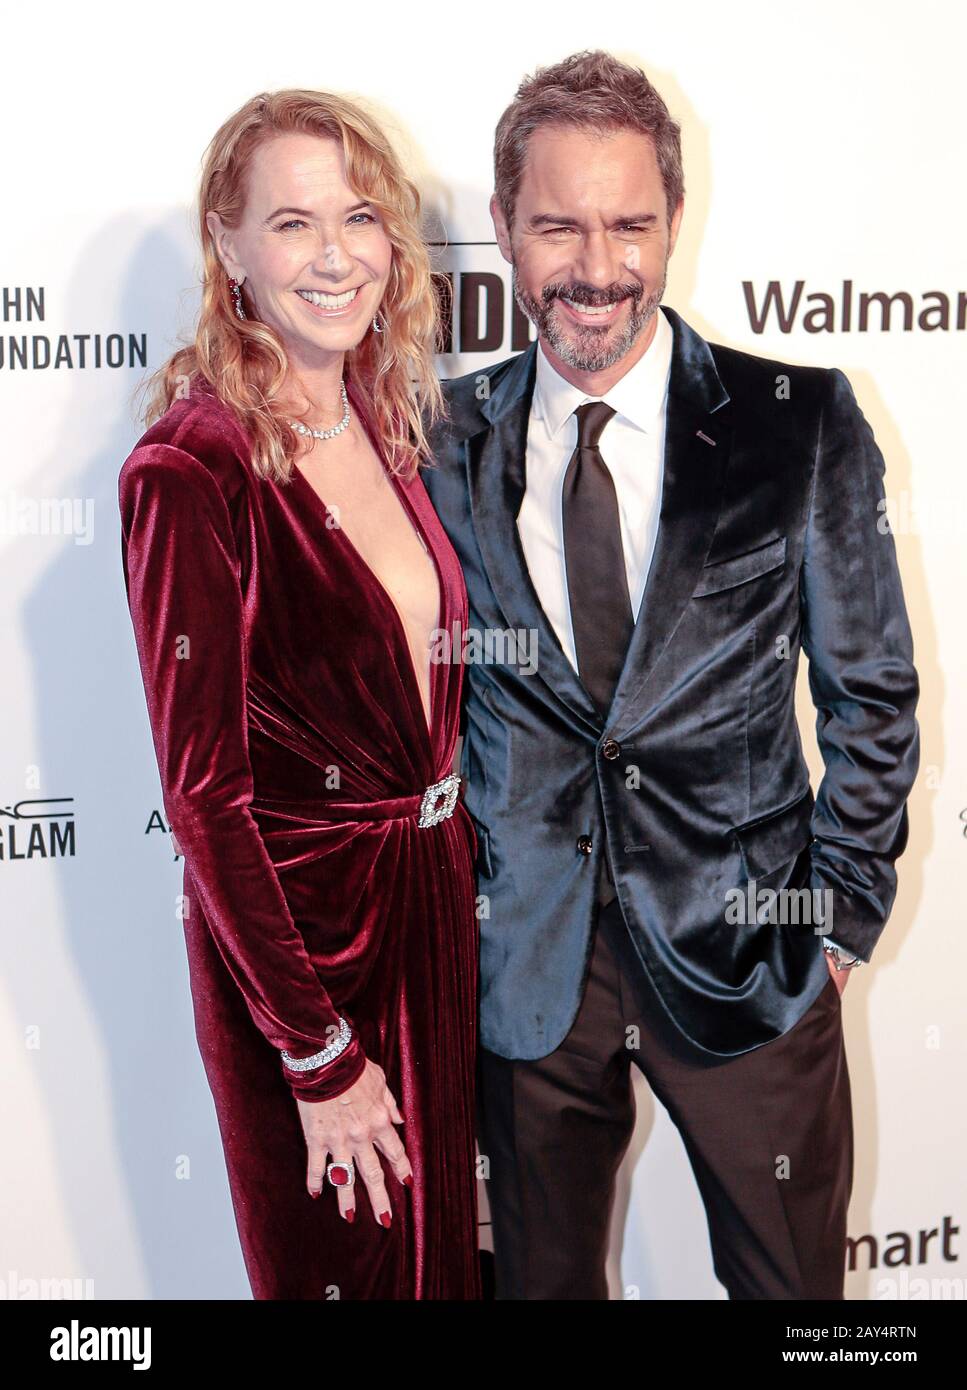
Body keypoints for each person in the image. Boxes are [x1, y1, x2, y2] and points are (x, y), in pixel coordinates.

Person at [424, 50, 920, 1299]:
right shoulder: (438, 440)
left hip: (751, 960)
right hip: (527, 976)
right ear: (503, 229)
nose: (597, 265)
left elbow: (871, 692)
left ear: (673, 222)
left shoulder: (796, 421)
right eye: (557, 224)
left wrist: (837, 921)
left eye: (629, 222)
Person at [118, 89, 481, 1300]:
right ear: (226, 245)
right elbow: (206, 798)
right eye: (292, 222)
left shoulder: (378, 414)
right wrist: (317, 1055)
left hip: (427, 915)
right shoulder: (191, 467)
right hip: (305, 958)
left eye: (361, 215)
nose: (336, 256)